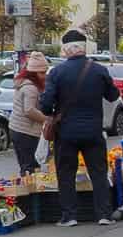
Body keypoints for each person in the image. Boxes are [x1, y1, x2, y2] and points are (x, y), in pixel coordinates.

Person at [38, 29, 118, 226]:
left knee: (66, 174)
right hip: (93, 131)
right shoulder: (99, 70)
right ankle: (103, 215)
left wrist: (52, 109)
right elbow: (113, 95)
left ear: (65, 50)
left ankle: (69, 216)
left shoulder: (56, 72)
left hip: (65, 133)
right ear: (84, 47)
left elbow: (46, 104)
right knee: (98, 172)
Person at [9, 53, 49, 176]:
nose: (44, 76)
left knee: (28, 165)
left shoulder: (24, 83)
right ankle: (28, 193)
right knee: (29, 167)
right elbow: (29, 110)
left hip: (19, 129)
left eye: (45, 72)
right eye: (41, 73)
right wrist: (47, 120)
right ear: (33, 73)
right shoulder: (30, 87)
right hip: (25, 132)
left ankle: (28, 191)